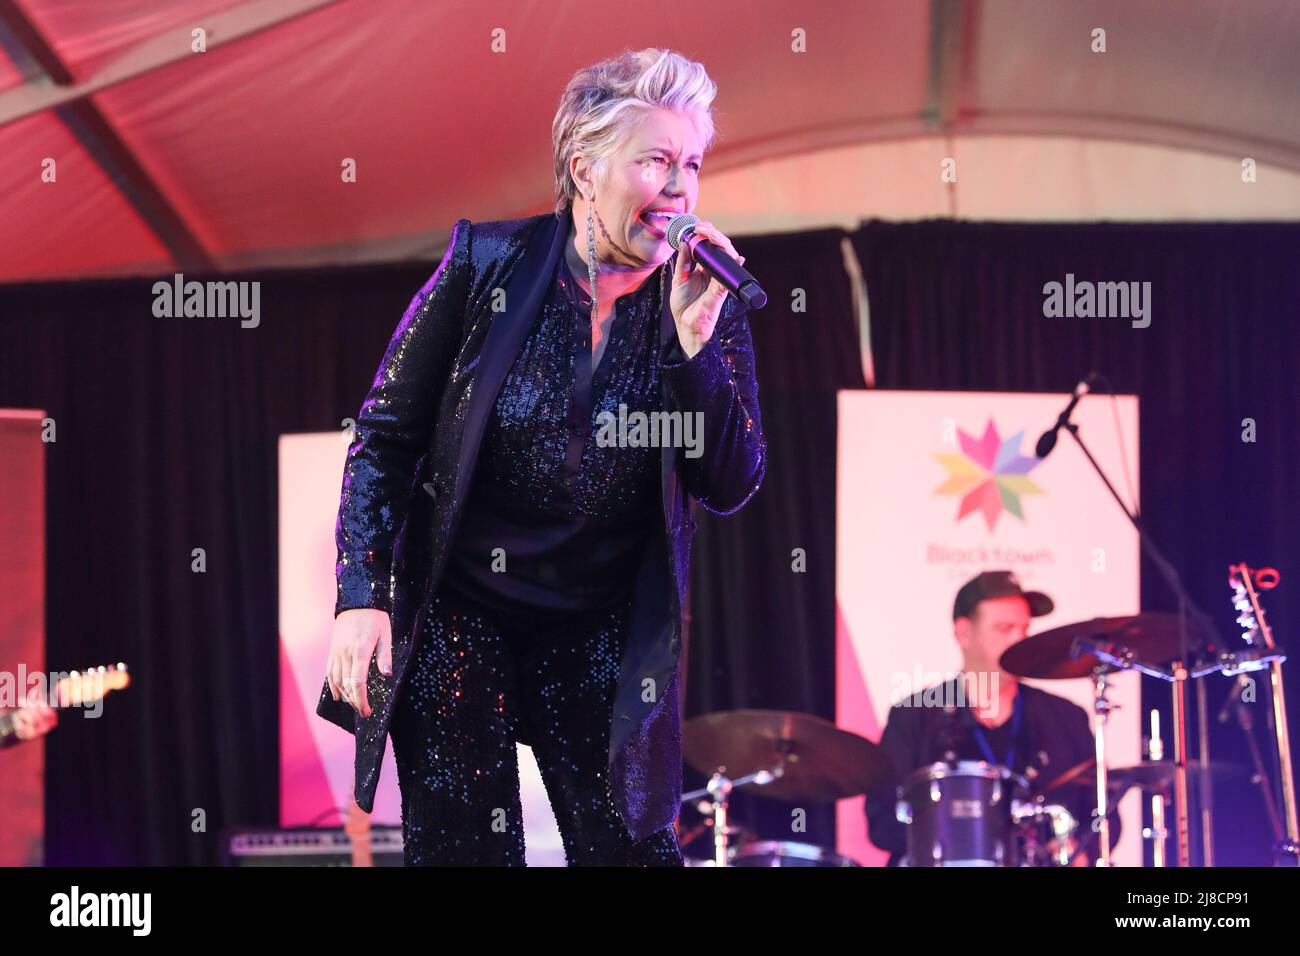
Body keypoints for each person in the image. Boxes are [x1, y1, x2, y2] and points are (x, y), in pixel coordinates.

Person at [316, 48, 765, 866]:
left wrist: (694, 351)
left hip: (600, 628)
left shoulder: (705, 303)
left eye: (692, 163)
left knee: (633, 851)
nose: (680, 186)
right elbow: (385, 437)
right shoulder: (487, 262)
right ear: (586, 168)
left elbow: (732, 482)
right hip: (463, 611)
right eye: (657, 160)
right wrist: (361, 593)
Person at [865, 570, 1120, 865]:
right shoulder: (915, 716)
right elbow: (882, 822)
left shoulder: (1065, 717)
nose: (1019, 639)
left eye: (1024, 629)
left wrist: (1079, 850)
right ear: (965, 633)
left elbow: (1106, 815)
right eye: (1004, 628)